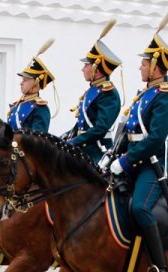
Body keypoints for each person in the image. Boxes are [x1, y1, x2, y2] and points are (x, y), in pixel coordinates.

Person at [110, 23, 168, 272]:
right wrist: (113, 156)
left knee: (140, 206)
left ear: (156, 67)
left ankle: (160, 268)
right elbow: (129, 131)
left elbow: (154, 139)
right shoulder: (145, 94)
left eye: (144, 63)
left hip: (153, 163)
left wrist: (125, 161)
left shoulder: (165, 97)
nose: (140, 67)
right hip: (133, 158)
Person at [67, 21, 122, 164]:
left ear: (96, 69)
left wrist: (75, 142)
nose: (83, 69)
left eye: (86, 65)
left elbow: (100, 128)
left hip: (96, 150)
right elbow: (82, 125)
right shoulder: (93, 90)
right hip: (83, 147)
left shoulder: (108, 93)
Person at [7, 40, 54, 132]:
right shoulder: (16, 106)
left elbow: (38, 139)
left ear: (36, 83)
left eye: (25, 80)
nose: (21, 83)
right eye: (22, 80)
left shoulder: (40, 108)